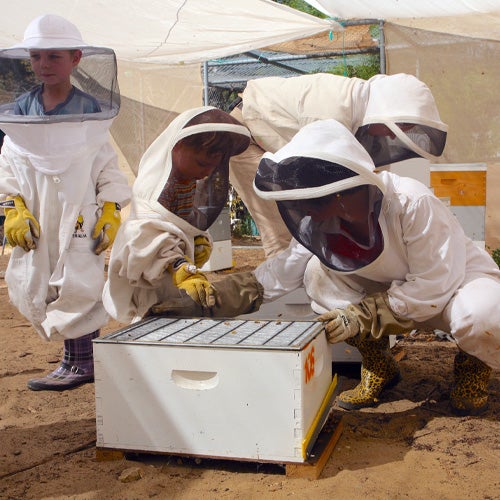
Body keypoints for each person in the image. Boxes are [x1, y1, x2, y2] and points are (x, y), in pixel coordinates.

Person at [156, 119, 499, 416]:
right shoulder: (318, 220)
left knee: (483, 315)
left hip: (454, 287)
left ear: (347, 189)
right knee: (316, 276)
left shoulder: (411, 202)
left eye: (316, 200)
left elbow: (434, 284)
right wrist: (209, 298)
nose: (310, 210)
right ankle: (379, 366)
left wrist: (361, 316)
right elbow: (277, 275)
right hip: (390, 297)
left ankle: (473, 366)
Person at [0, 14, 131, 391]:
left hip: (79, 210)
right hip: (37, 210)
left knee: (80, 281)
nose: (44, 65)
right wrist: (14, 209)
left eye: (54, 56)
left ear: (75, 59)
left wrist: (110, 208)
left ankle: (82, 361)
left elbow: (105, 164)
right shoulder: (21, 110)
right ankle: (75, 359)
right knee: (34, 280)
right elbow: (9, 162)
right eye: (37, 56)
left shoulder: (90, 110)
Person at [229, 72, 447, 257]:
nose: (392, 136)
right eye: (400, 125)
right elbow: (320, 180)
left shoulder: (361, 112)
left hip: (281, 141)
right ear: (385, 109)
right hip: (246, 137)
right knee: (282, 227)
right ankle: (287, 295)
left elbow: (373, 179)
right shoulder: (328, 112)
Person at [102, 106, 251, 323]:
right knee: (150, 323)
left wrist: (197, 239)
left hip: (172, 284)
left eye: (212, 167)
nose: (206, 172)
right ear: (177, 146)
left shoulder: (188, 182)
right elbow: (144, 237)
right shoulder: (155, 190)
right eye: (201, 164)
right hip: (145, 284)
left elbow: (181, 225)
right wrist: (178, 264)